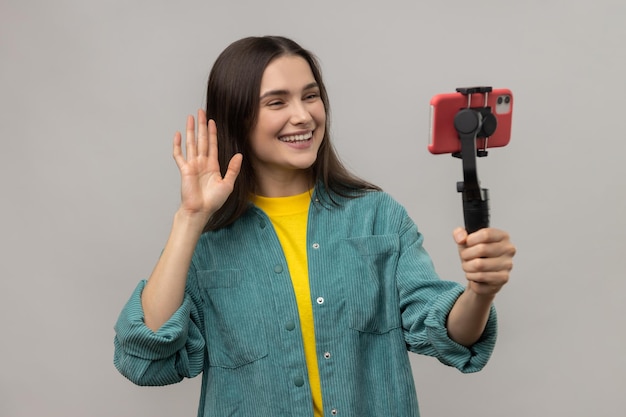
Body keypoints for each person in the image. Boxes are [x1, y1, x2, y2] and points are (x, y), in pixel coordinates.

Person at [113, 35, 516, 417]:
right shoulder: (205, 243)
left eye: (311, 96)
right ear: (238, 116)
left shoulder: (378, 217)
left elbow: (448, 333)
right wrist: (190, 218)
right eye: (276, 102)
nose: (303, 116)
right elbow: (144, 358)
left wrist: (480, 292)